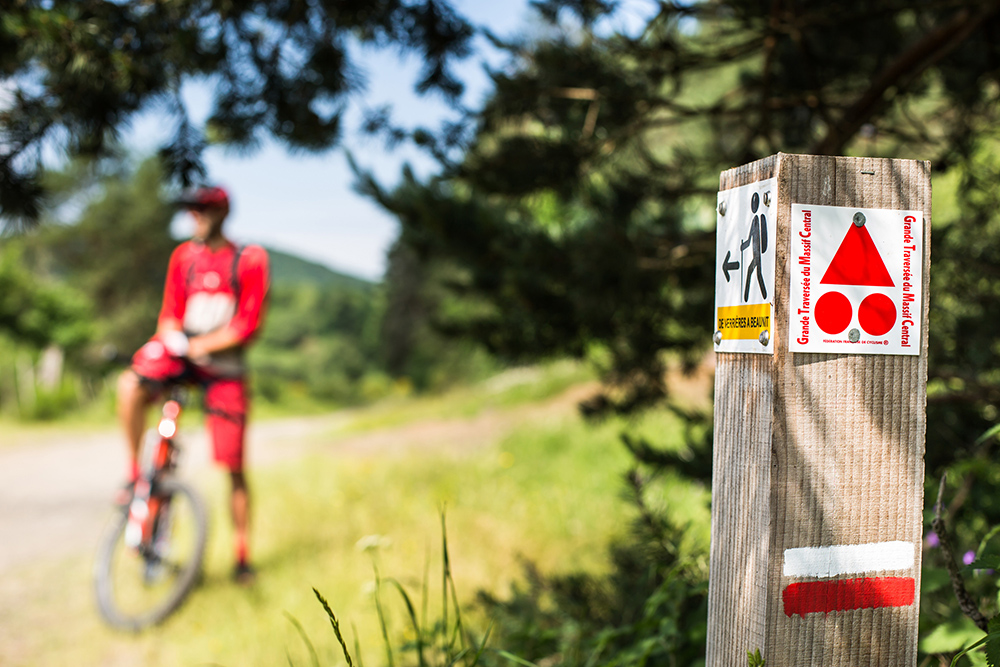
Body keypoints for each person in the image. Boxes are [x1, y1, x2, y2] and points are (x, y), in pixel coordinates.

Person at [116, 186, 269, 585]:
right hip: (182, 356)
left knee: (233, 464)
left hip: (224, 366)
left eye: (202, 208)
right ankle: (138, 476)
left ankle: (242, 554)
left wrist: (201, 345)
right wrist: (172, 340)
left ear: (222, 210)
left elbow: (247, 324)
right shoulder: (184, 257)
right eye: (191, 209)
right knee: (130, 385)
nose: (194, 215)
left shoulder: (249, 259)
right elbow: (169, 313)